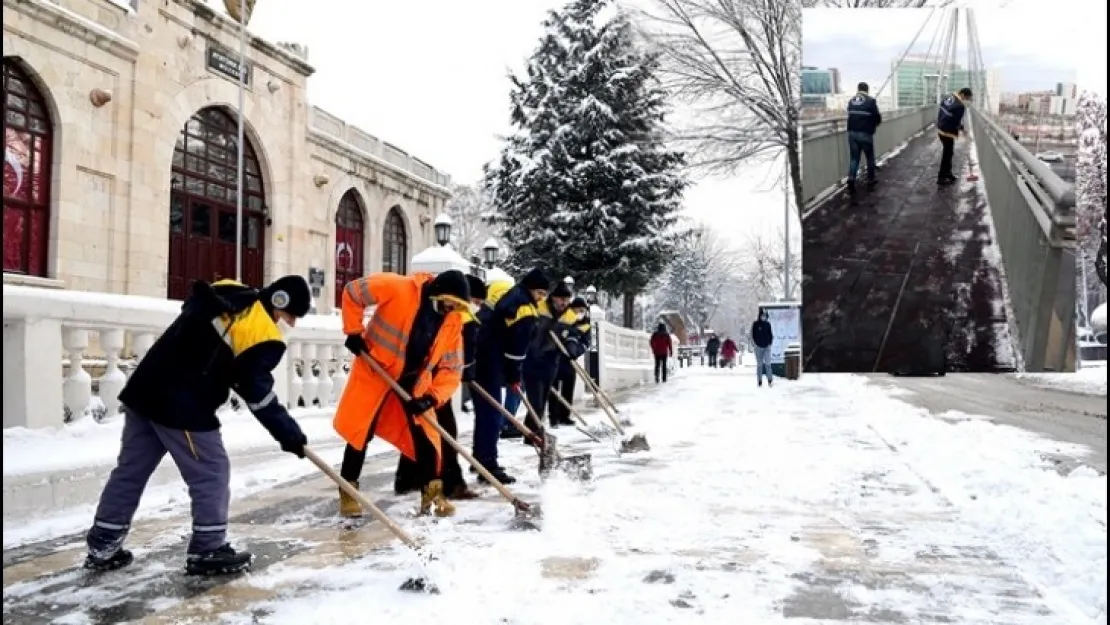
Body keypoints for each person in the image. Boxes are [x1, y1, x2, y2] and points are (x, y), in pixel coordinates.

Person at [84, 276, 312, 576]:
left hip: (145, 389)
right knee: (211, 472)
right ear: (278, 302)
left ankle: (103, 544)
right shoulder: (260, 330)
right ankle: (208, 549)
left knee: (130, 471)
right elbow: (258, 394)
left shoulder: (228, 295)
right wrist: (290, 435)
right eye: (291, 315)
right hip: (183, 406)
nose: (291, 324)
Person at [334, 270, 470, 520]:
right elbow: (353, 291)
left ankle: (432, 495)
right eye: (450, 301)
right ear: (437, 292)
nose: (451, 308)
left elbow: (452, 368)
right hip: (376, 370)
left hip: (415, 381)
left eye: (457, 305)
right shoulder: (398, 287)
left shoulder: (452, 321)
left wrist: (432, 397)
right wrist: (353, 331)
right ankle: (348, 490)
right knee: (360, 433)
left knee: (428, 437)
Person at [394, 274, 485, 501]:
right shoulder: (450, 314)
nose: (475, 306)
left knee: (427, 430)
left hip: (437, 382)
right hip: (424, 379)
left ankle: (409, 479)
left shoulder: (456, 315)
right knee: (440, 431)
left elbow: (459, 354)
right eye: (474, 300)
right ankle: (449, 484)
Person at [471, 268, 550, 484]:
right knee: (493, 415)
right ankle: (487, 463)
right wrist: (514, 375)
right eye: (540, 293)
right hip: (490, 362)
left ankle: (480, 458)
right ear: (531, 289)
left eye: (544, 294)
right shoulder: (524, 308)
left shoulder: (513, 296)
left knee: (487, 413)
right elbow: (516, 349)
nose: (541, 298)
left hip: (483, 357)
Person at [521, 281, 574, 435]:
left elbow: (571, 336)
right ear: (554, 298)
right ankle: (533, 432)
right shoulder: (540, 307)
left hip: (551, 362)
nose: (563, 302)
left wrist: (570, 347)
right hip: (532, 359)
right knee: (535, 400)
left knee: (542, 400)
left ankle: (531, 433)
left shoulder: (569, 316)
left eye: (566, 299)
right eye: (561, 299)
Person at [548, 297, 591, 426]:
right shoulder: (564, 319)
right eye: (577, 309)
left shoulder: (585, 326)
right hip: (557, 358)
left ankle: (564, 416)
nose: (580, 312)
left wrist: (575, 352)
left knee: (568, 388)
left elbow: (585, 343)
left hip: (570, 360)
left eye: (582, 310)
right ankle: (553, 418)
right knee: (554, 389)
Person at [845, 82, 882, 194]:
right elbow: (877, 117)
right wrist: (875, 124)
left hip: (852, 133)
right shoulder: (871, 101)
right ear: (867, 90)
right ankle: (871, 179)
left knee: (854, 158)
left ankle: (851, 179)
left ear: (858, 89)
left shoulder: (851, 101)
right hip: (865, 133)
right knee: (869, 157)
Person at [937, 87, 972, 186]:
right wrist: (963, 130)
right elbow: (957, 122)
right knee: (947, 155)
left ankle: (948, 174)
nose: (966, 101)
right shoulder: (960, 106)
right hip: (947, 132)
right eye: (967, 98)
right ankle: (941, 178)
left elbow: (943, 111)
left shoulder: (948, 97)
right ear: (963, 94)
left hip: (941, 129)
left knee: (949, 153)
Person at [752, 308, 775, 387]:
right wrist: (755, 344)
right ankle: (759, 381)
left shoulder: (768, 324)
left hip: (767, 347)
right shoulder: (755, 324)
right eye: (762, 316)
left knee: (768, 364)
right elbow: (753, 335)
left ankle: (770, 380)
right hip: (758, 347)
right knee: (759, 365)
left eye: (765, 316)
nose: (763, 317)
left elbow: (770, 334)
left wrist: (770, 343)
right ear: (760, 316)